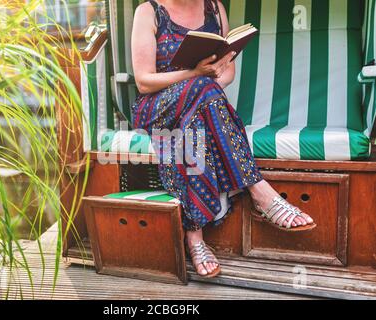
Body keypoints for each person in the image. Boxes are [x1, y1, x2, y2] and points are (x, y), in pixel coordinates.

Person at [131, 0, 316, 278]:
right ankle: (258, 190)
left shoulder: (214, 8)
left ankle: (195, 237)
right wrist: (195, 76)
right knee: (202, 89)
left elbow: (227, 71)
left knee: (196, 117)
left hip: (199, 103)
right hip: (156, 107)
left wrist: (201, 90)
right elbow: (144, 81)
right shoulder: (148, 11)